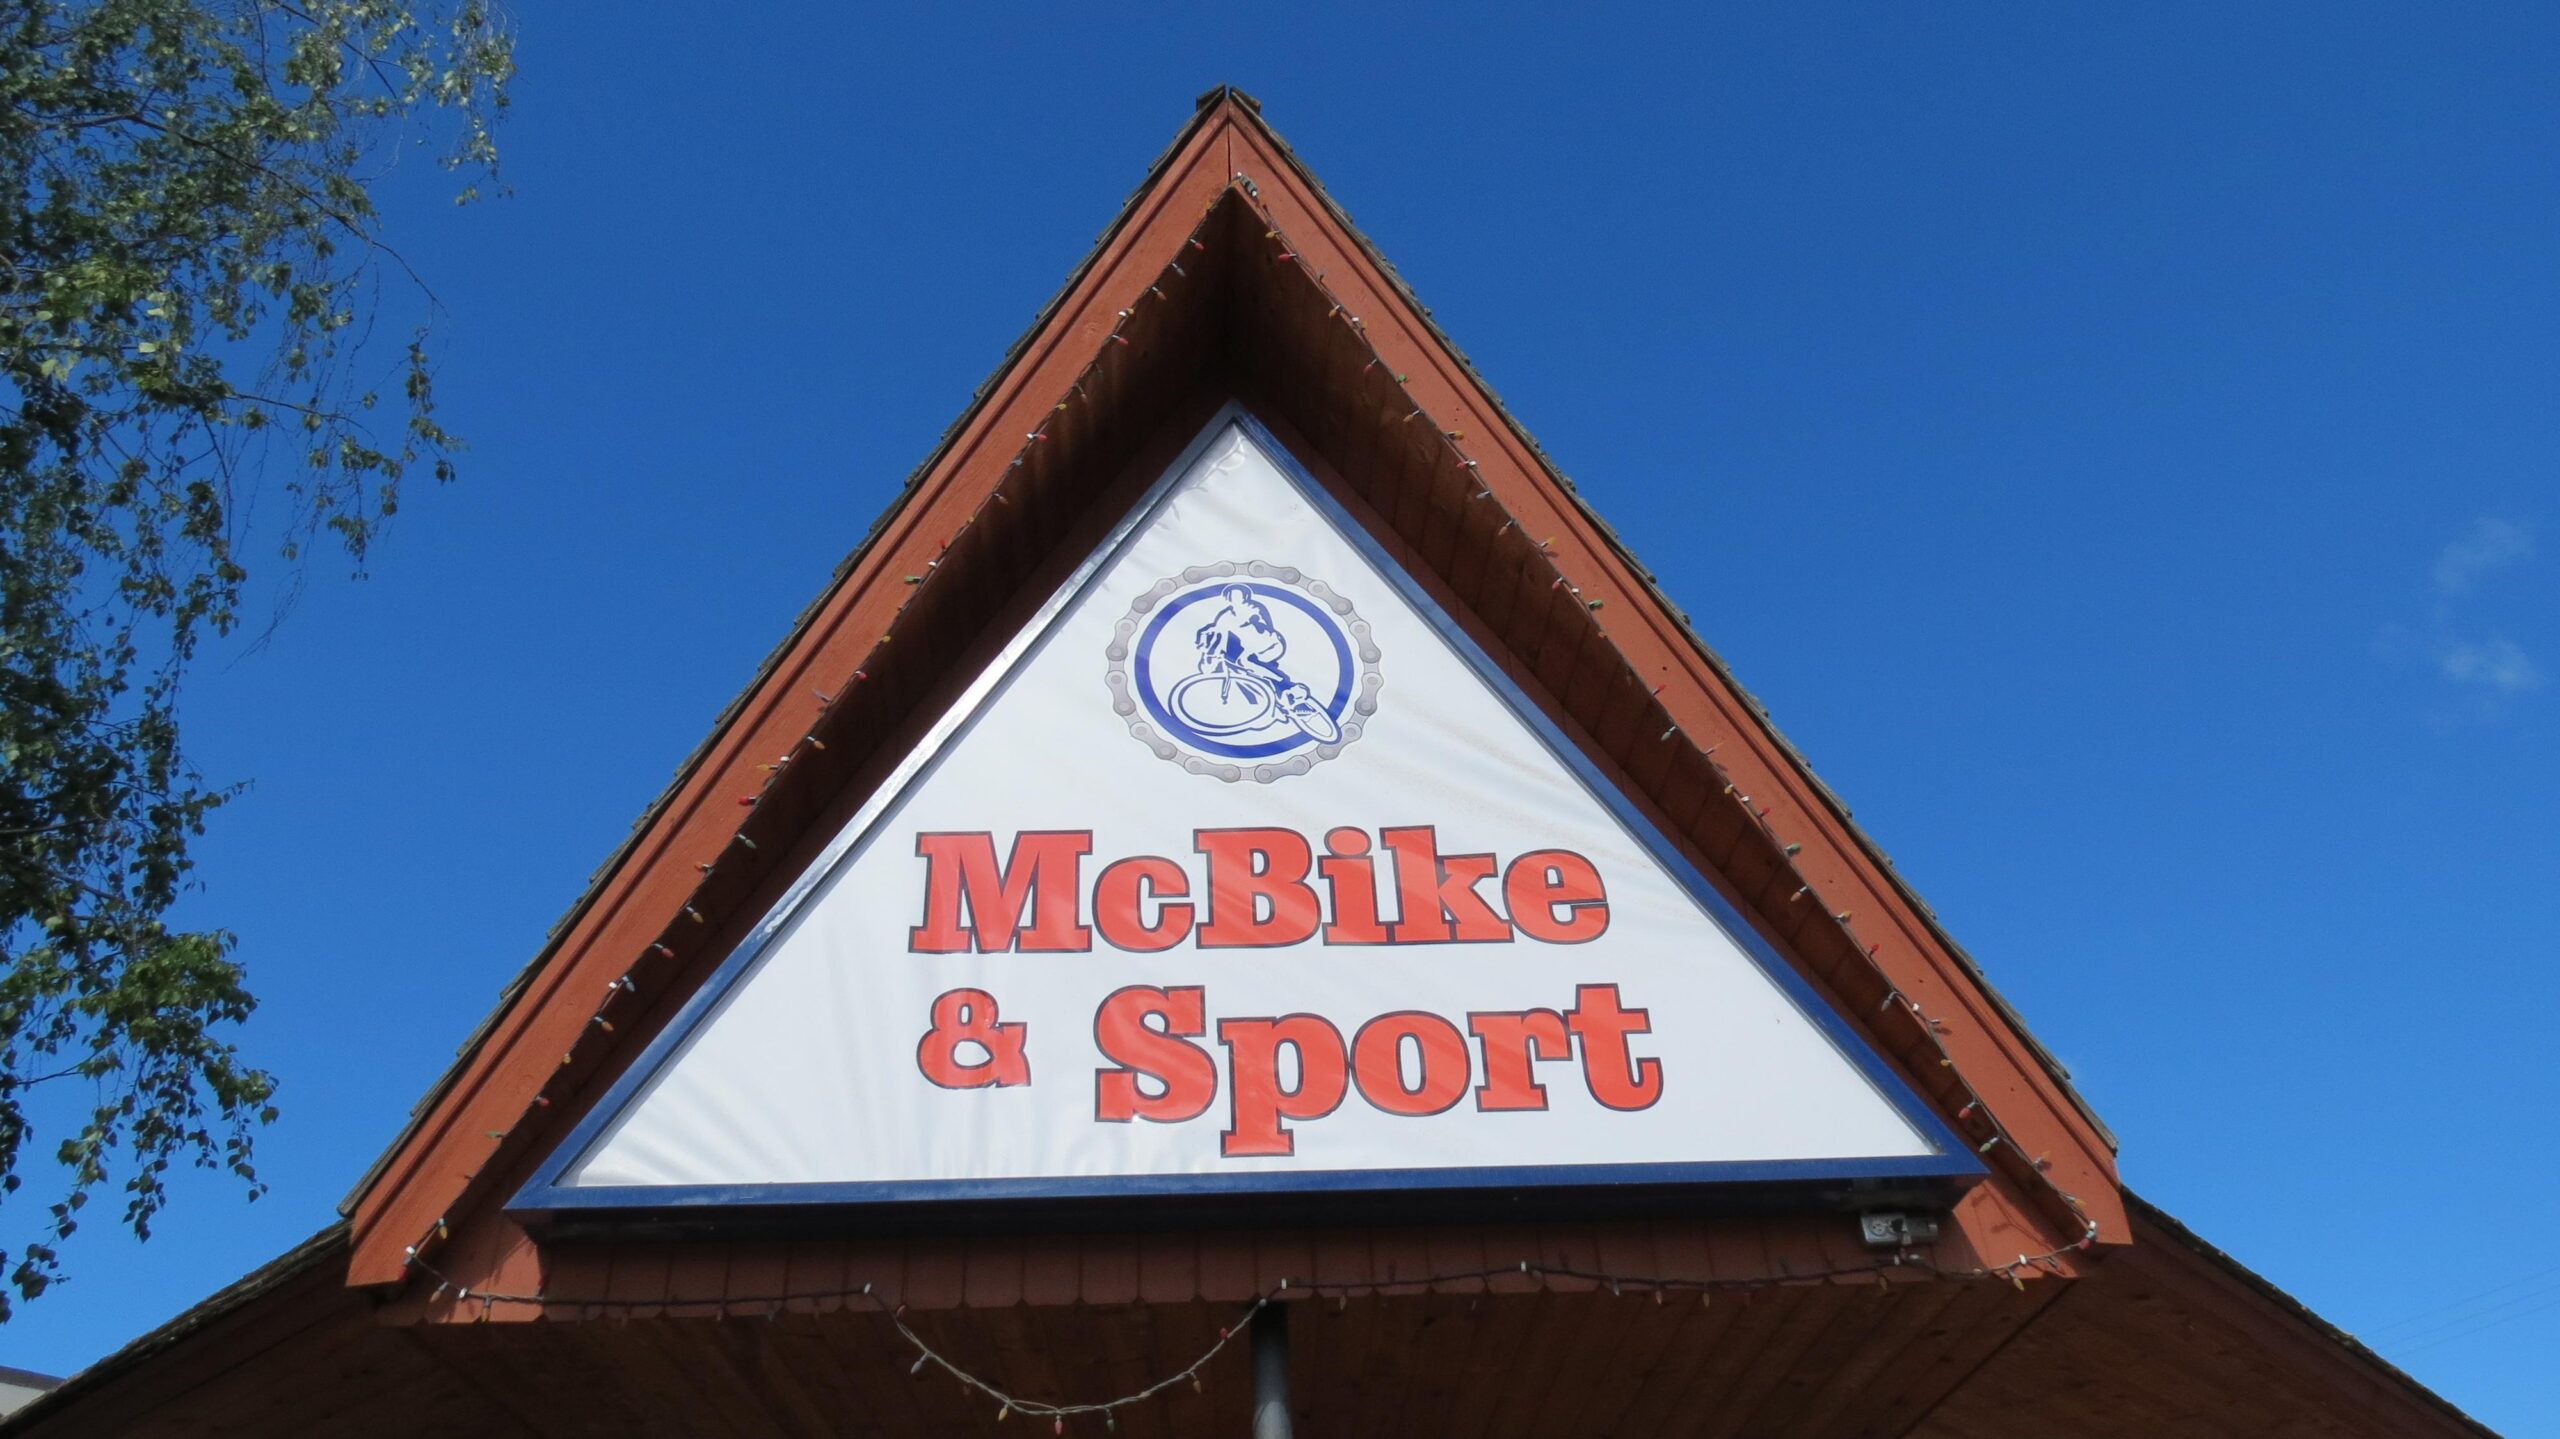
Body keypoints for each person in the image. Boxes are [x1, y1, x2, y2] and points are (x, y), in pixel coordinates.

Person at [1193, 584, 1310, 709]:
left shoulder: (1254, 607)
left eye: (1238, 595)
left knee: (1245, 661)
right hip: (1248, 649)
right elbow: (1218, 632)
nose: (1236, 598)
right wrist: (1209, 651)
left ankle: (1286, 685)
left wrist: (1254, 622)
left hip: (1268, 644)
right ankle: (1263, 703)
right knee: (1239, 669)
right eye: (1232, 595)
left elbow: (1263, 626)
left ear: (1245, 596)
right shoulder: (1226, 615)